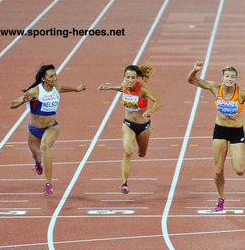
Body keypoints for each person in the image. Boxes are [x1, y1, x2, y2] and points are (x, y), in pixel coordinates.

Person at [187, 61, 245, 212]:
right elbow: (191, 80)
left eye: (232, 77)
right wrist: (195, 70)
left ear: (236, 79)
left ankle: (238, 154)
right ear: (222, 78)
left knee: (240, 170)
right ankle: (221, 198)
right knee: (217, 171)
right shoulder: (215, 88)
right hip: (220, 131)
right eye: (227, 76)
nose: (229, 79)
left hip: (236, 132)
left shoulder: (242, 93)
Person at [10, 64, 87, 196]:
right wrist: (23, 100)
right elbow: (12, 104)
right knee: (36, 155)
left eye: (55, 74)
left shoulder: (56, 88)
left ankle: (48, 185)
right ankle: (38, 162)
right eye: (51, 76)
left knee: (45, 147)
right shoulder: (35, 91)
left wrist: (77, 89)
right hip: (34, 130)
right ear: (44, 79)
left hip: (51, 127)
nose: (55, 78)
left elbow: (63, 88)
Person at [98, 62, 162, 194]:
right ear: (124, 77)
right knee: (127, 152)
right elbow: (120, 88)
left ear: (137, 78)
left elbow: (158, 101)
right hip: (128, 124)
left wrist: (150, 111)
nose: (130, 80)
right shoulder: (124, 86)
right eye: (128, 77)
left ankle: (141, 151)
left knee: (141, 154)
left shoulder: (143, 89)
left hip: (143, 126)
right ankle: (124, 184)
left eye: (133, 78)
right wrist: (108, 88)